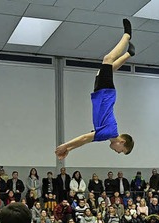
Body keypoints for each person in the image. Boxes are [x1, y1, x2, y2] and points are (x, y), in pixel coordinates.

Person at [55, 19, 135, 160]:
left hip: (101, 95)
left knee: (104, 71)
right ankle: (127, 35)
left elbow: (85, 141)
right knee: (108, 59)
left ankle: (129, 53)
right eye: (121, 150)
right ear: (122, 142)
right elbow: (85, 137)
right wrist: (64, 145)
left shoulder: (106, 136)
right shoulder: (109, 132)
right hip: (105, 95)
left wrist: (69, 149)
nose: (117, 152)